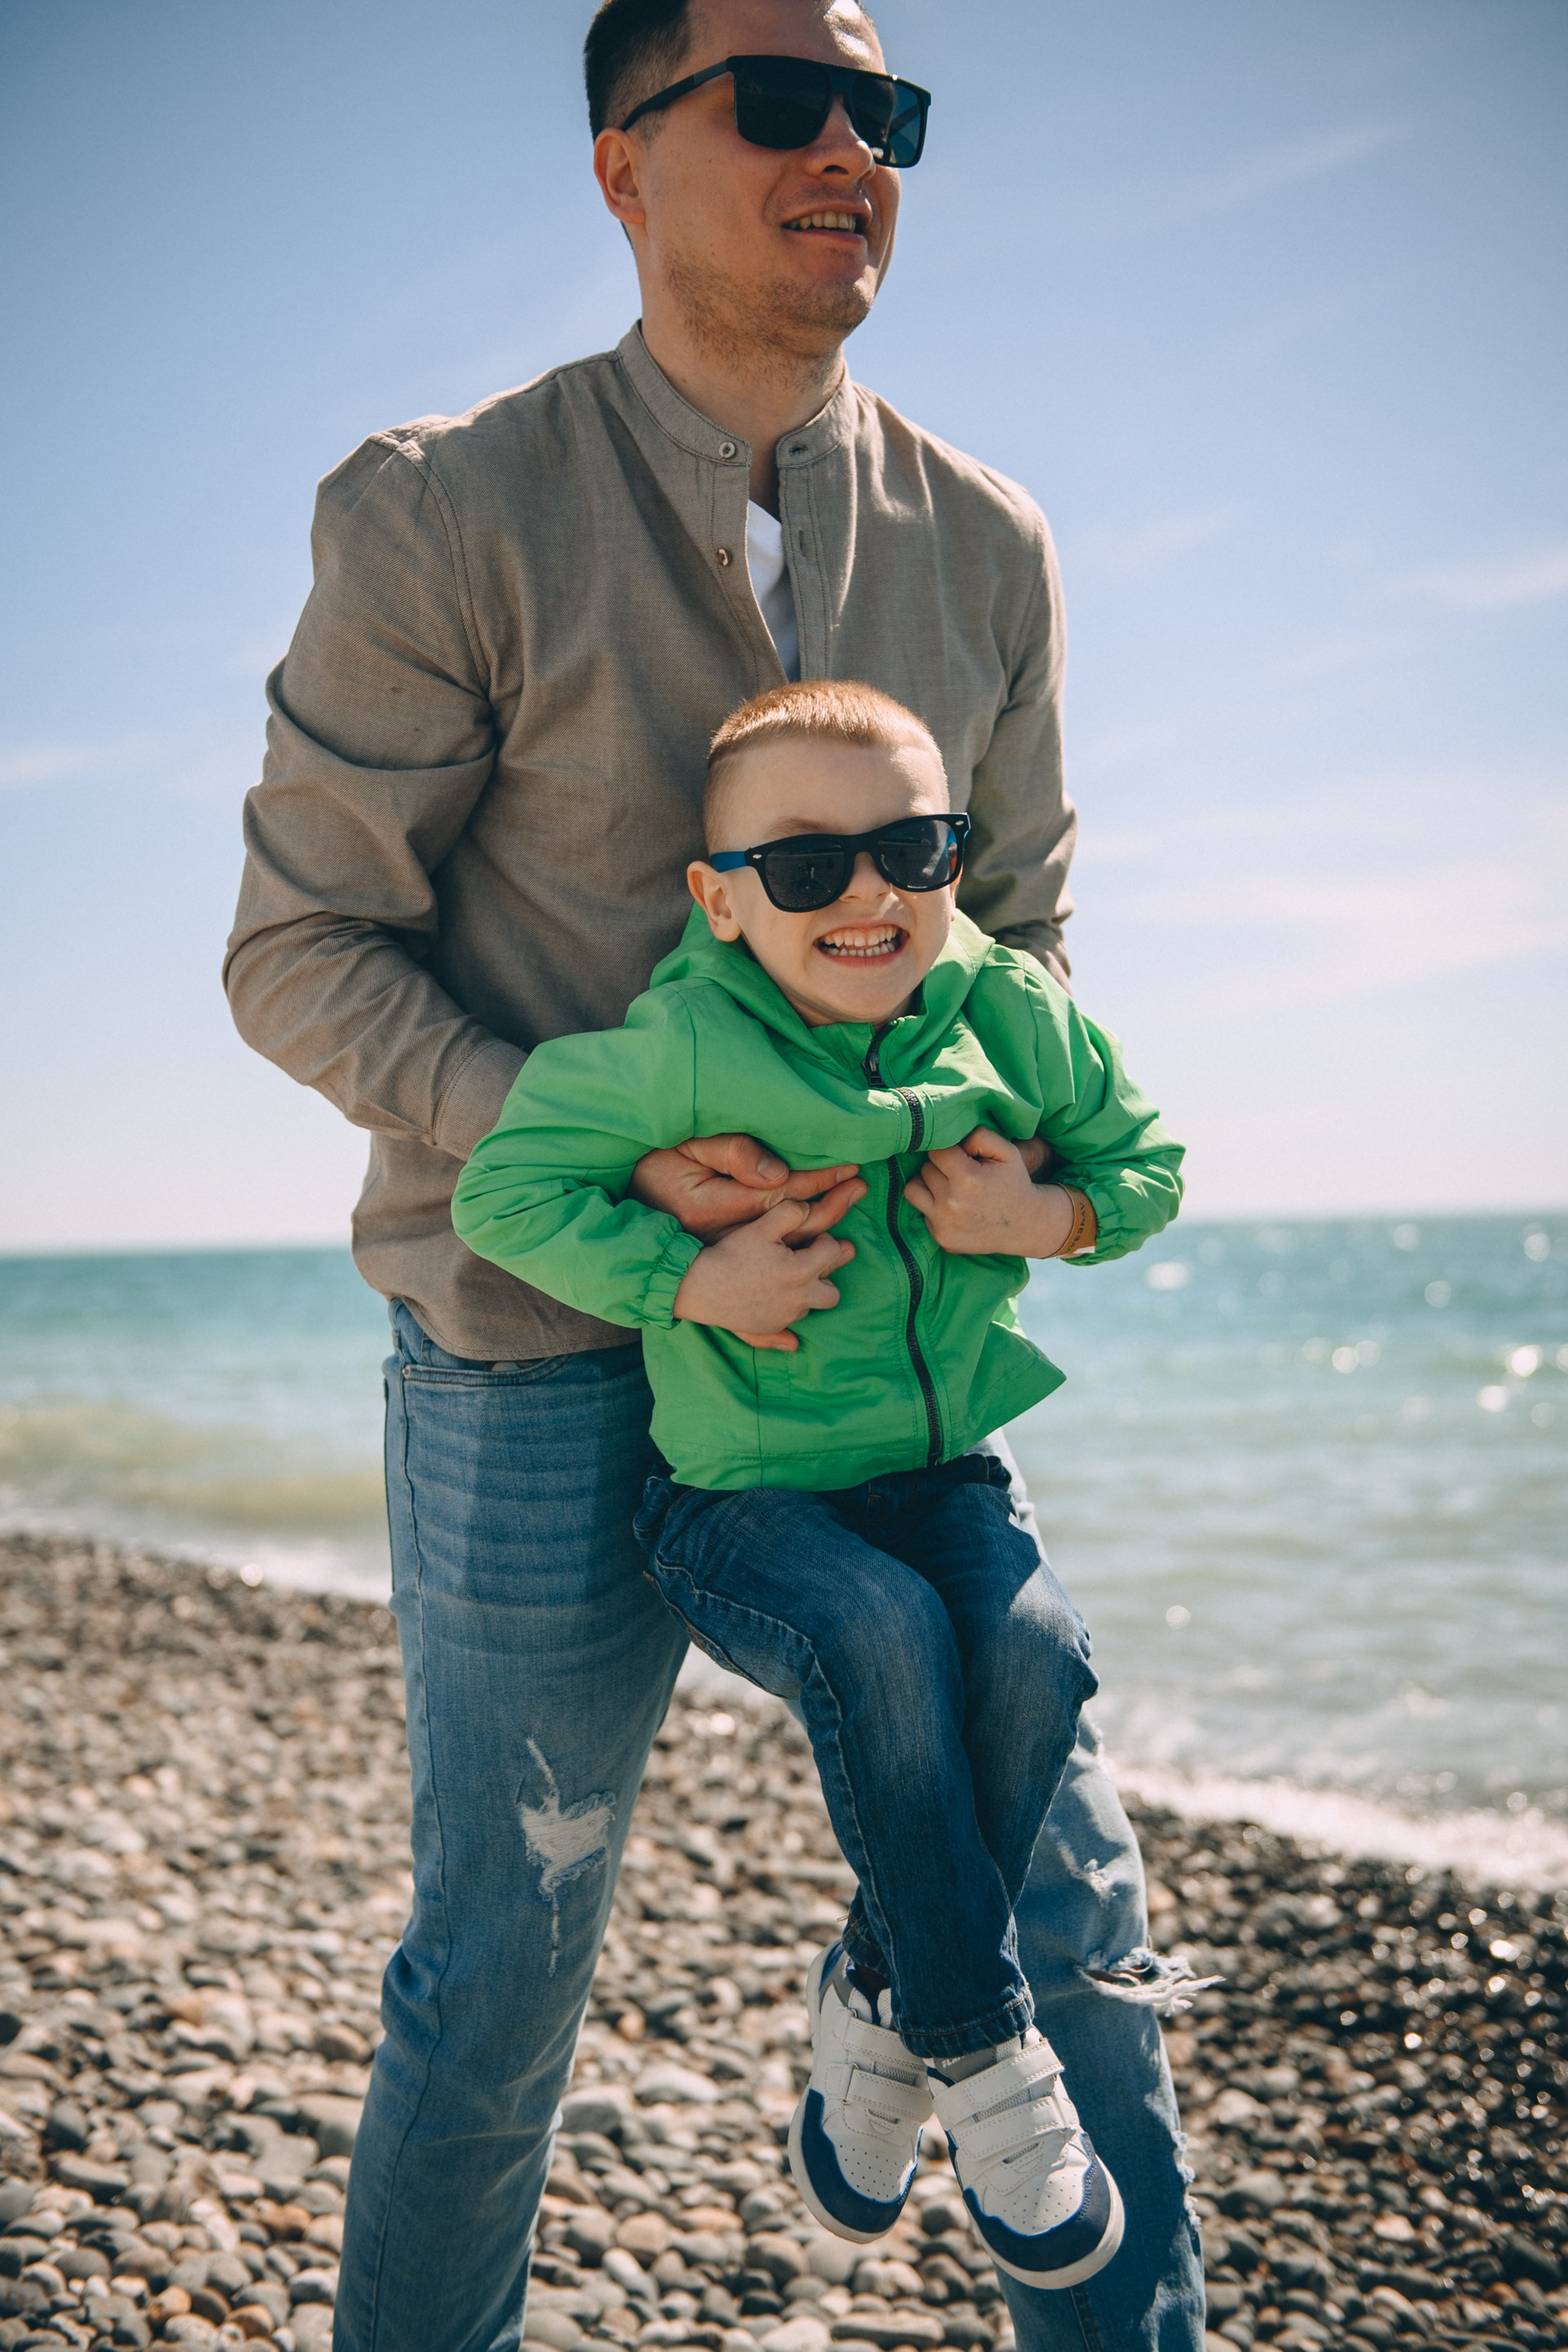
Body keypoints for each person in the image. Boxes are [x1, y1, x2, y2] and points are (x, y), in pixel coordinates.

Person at [222, 2, 1208, 2346]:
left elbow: (1027, 926)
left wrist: (1025, 1171)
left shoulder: (989, 537)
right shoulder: (438, 505)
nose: (845, 144)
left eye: (885, 109)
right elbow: (299, 947)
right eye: (782, 98)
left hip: (886, 1378)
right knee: (494, 1985)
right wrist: (622, 1169)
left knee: (1071, 1916)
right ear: (618, 162)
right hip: (530, 1354)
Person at [452, 680, 1184, 2289]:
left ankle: (877, 2000)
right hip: (738, 1503)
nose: (865, 894)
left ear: (950, 862)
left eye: (911, 849)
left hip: (944, 1472)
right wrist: (681, 1279)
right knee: (874, 1633)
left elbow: (1145, 1165)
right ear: (719, 898)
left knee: (1037, 1653)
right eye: (802, 867)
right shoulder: (682, 1045)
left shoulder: (1007, 1013)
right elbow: (505, 1188)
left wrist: (1041, 1221)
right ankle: (982, 2054)